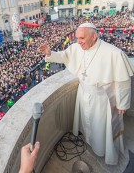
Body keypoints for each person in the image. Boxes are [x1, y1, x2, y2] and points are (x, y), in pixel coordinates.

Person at [39, 22, 134, 165]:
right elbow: (64, 56)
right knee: (88, 124)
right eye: (77, 38)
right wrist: (50, 54)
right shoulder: (77, 48)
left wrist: (123, 102)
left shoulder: (114, 53)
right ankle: (91, 143)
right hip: (83, 94)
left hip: (102, 100)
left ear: (93, 36)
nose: (78, 42)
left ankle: (103, 150)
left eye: (82, 38)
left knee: (101, 127)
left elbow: (123, 81)